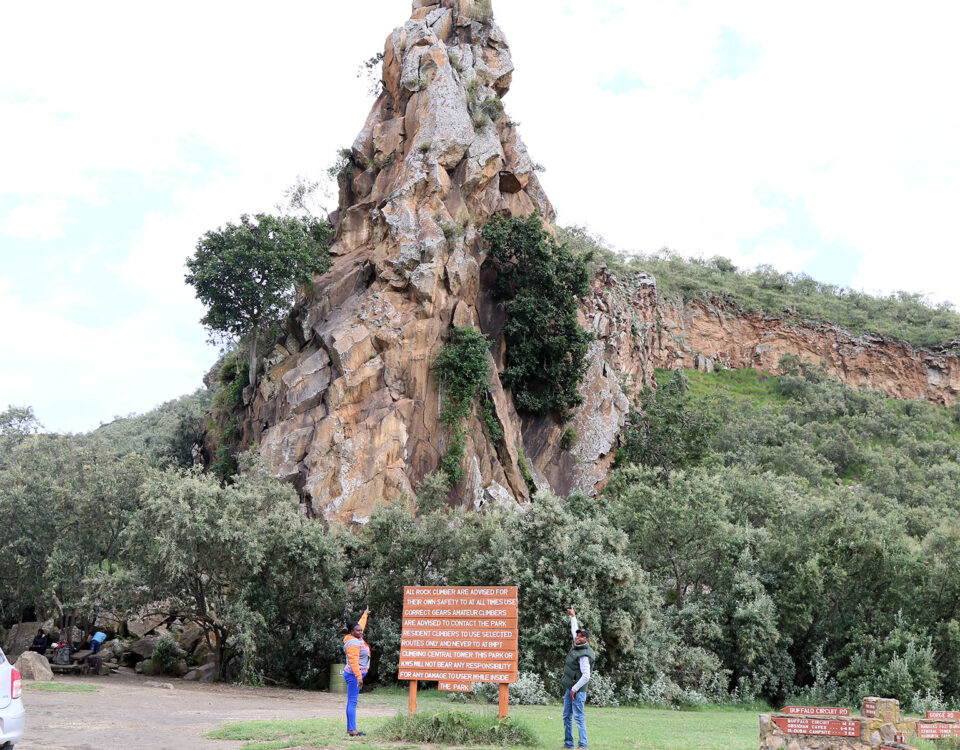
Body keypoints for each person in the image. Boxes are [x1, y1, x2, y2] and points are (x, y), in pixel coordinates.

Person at [562, 606, 595, 750]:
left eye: (581, 636)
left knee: (579, 719)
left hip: (578, 691)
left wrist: (574, 690)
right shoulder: (577, 645)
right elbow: (573, 630)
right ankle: (569, 745)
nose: (577, 637)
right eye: (577, 635)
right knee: (566, 717)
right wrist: (573, 616)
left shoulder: (584, 654)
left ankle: (583, 746)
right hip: (571, 688)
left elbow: (586, 676)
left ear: (585, 639)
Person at [342, 608, 371, 737]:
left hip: (355, 674)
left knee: (351, 701)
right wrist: (359, 677)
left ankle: (350, 729)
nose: (360, 631)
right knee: (353, 702)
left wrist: (365, 614)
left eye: (361, 630)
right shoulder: (353, 642)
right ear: (351, 632)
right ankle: (353, 730)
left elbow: (360, 624)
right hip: (354, 675)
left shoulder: (355, 636)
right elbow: (354, 661)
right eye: (357, 630)